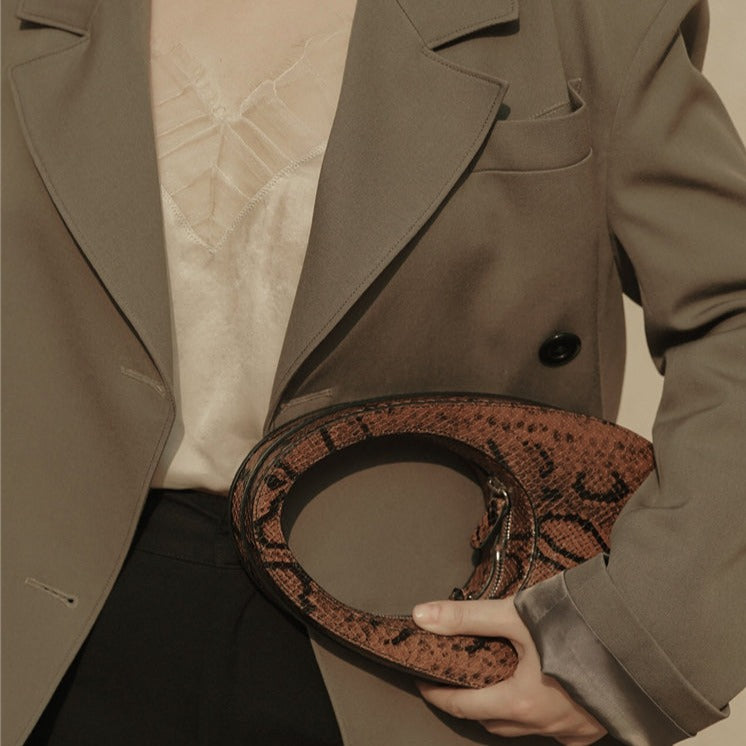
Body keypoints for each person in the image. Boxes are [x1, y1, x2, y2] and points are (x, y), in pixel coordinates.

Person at [2, 0, 745, 745]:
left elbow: (732, 312)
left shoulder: (589, 15)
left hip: (431, 645)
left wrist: (629, 640)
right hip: (48, 636)